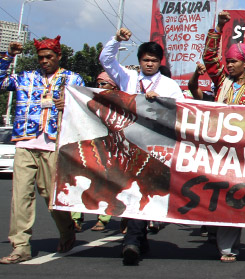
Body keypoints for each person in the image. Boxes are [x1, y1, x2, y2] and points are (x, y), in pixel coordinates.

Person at [99, 27, 185, 266]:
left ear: (160, 62)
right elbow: (105, 60)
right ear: (139, 61)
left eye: (154, 61)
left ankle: (132, 241)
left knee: (140, 190)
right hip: (126, 143)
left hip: (154, 146)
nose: (149, 64)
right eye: (146, 60)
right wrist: (116, 39)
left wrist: (162, 102)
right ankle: (139, 238)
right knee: (129, 191)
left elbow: (184, 110)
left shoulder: (169, 85)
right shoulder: (128, 78)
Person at [0, 36, 80, 264]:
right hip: (25, 143)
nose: (44, 61)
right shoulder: (26, 77)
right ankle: (21, 247)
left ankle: (67, 231)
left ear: (58, 57)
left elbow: (86, 105)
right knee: (21, 197)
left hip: (54, 144)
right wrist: (8, 56)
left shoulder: (72, 78)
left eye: (49, 57)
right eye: (41, 58)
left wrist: (70, 105)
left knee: (49, 194)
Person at [204, 11, 245, 262]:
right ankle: (213, 229)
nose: (229, 65)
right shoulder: (221, 81)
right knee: (212, 192)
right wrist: (219, 27)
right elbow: (209, 58)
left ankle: (228, 248)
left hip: (240, 152)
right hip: (215, 147)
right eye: (228, 62)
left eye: (233, 62)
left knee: (233, 196)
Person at [71, 71, 118, 233]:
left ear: (114, 85)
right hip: (89, 146)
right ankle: (75, 218)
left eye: (103, 84)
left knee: (105, 183)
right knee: (80, 181)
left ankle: (103, 218)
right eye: (97, 83)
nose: (99, 87)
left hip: (110, 149)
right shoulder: (90, 99)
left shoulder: (121, 102)